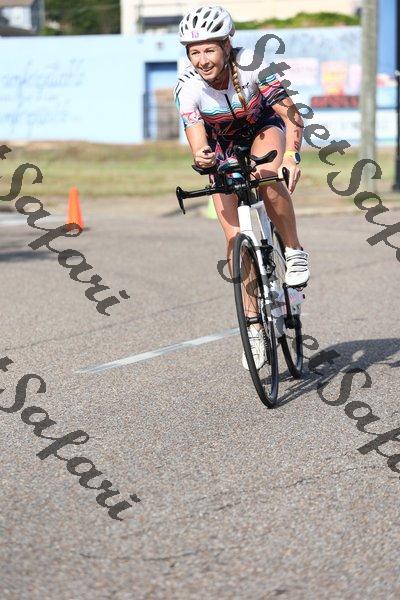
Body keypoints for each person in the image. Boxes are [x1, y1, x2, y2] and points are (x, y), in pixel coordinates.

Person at [174, 5, 309, 370]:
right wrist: (203, 157)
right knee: (234, 238)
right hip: (224, 143)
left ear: (226, 46)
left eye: (209, 49)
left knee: (266, 175)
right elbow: (197, 140)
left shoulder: (252, 64)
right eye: (194, 52)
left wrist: (292, 156)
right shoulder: (188, 87)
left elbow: (291, 115)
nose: (202, 60)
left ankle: (293, 251)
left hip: (262, 128)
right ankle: (253, 325)